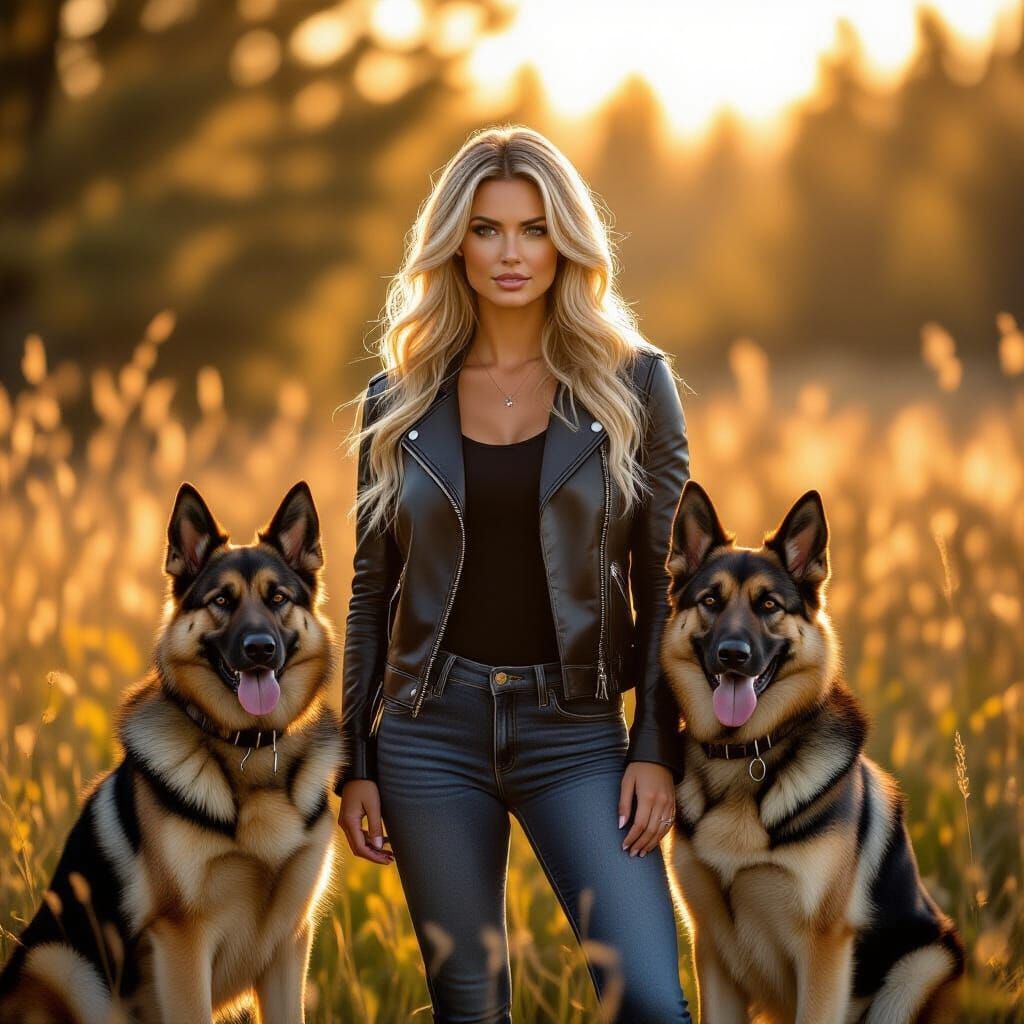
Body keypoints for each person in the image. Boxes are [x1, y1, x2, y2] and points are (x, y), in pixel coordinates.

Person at [336, 125, 692, 1023]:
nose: (511, 253)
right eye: (488, 228)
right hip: (429, 734)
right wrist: (357, 761)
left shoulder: (635, 385)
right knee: (471, 1009)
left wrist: (656, 743)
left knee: (647, 999)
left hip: (576, 731)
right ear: (454, 240)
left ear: (566, 240)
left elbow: (665, 584)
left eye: (534, 228)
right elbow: (369, 591)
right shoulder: (400, 399)